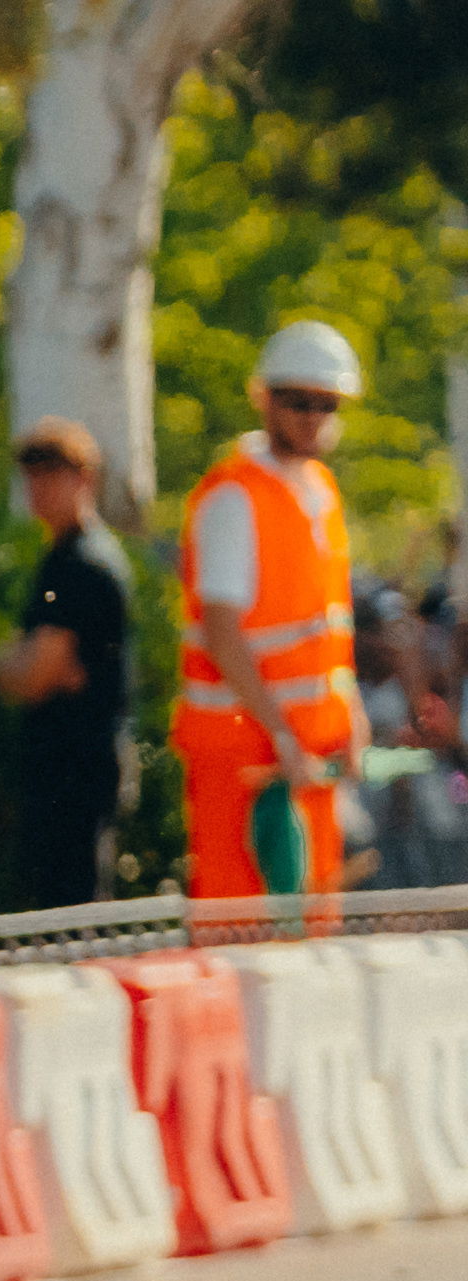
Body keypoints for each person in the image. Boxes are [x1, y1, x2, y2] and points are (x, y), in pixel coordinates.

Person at [173, 328, 368, 909]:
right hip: (246, 763)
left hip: (307, 763)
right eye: (297, 401)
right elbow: (221, 628)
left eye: (325, 403)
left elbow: (326, 630)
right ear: (264, 398)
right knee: (242, 930)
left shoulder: (321, 492)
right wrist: (279, 731)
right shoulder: (233, 498)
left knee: (310, 926)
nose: (312, 416)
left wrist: (349, 711)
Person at [0, 418, 138, 910]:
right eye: (32, 476)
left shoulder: (81, 563)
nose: (39, 490)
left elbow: (37, 674)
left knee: (69, 911)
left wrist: (5, 664)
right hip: (67, 763)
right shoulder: (68, 556)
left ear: (84, 479)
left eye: (52, 475)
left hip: (76, 767)